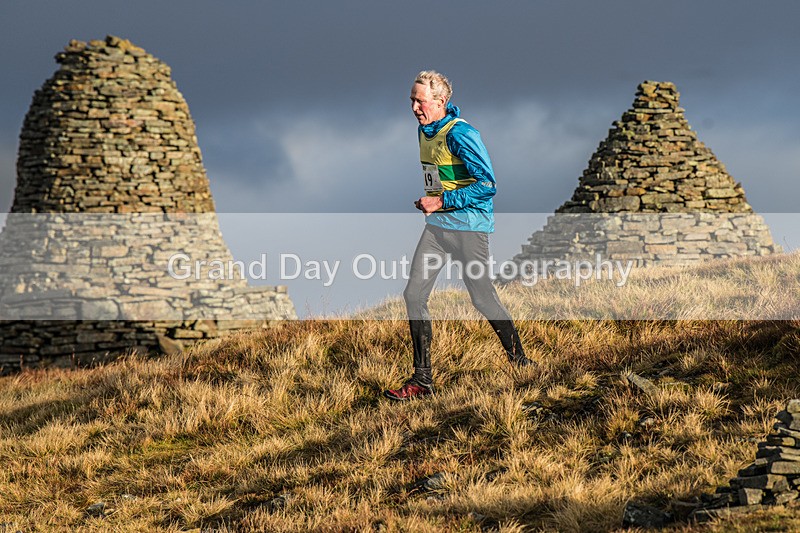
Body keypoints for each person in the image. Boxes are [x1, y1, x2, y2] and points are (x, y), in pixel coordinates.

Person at [384, 70, 532, 401]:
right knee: (413, 295)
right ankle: (422, 382)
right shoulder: (424, 131)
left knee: (481, 298)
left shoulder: (462, 133)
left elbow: (488, 185)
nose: (414, 107)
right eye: (411, 100)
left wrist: (441, 200)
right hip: (438, 228)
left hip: (468, 228)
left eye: (419, 101)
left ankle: (521, 362)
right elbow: (439, 175)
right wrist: (433, 199)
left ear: (440, 101)